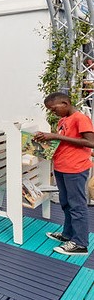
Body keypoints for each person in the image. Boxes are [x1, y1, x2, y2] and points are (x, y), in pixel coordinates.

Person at [34, 92, 94, 256]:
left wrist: (53, 135)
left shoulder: (80, 118)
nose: (53, 113)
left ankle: (80, 243)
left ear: (65, 103)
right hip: (62, 167)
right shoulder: (63, 120)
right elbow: (63, 142)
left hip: (75, 168)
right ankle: (68, 235)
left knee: (77, 205)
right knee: (66, 203)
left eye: (54, 109)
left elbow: (91, 142)